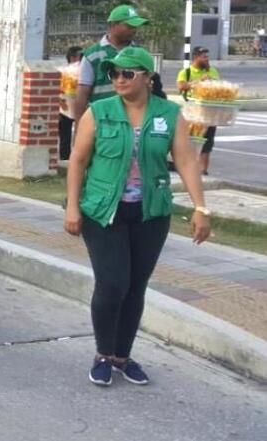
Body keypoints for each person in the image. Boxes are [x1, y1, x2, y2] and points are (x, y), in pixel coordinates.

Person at [66, 47, 211, 386]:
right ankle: (103, 353)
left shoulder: (169, 114)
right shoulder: (98, 112)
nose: (118, 79)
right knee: (113, 282)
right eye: (114, 73)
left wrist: (201, 208)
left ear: (147, 77)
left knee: (135, 286)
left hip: (150, 213)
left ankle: (122, 356)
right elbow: (77, 161)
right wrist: (73, 206)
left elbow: (187, 161)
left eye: (127, 74)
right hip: (103, 211)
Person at [73, 5, 148, 123]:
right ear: (113, 25)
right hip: (102, 120)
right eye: (129, 26)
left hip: (133, 121)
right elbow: (83, 92)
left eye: (136, 26)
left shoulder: (140, 53)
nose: (134, 30)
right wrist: (79, 125)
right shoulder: (92, 55)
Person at [176, 46, 221, 175]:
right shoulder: (186, 72)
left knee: (207, 142)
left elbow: (218, 86)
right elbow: (180, 86)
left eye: (207, 57)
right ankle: (187, 166)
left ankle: (203, 170)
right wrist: (197, 82)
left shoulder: (212, 71)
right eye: (204, 57)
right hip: (192, 113)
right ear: (196, 58)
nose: (207, 59)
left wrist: (211, 82)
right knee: (190, 140)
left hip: (209, 113)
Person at [59, 46, 84, 162]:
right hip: (78, 103)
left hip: (65, 104)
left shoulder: (63, 70)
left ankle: (65, 156)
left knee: (65, 132)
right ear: (73, 57)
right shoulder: (82, 69)